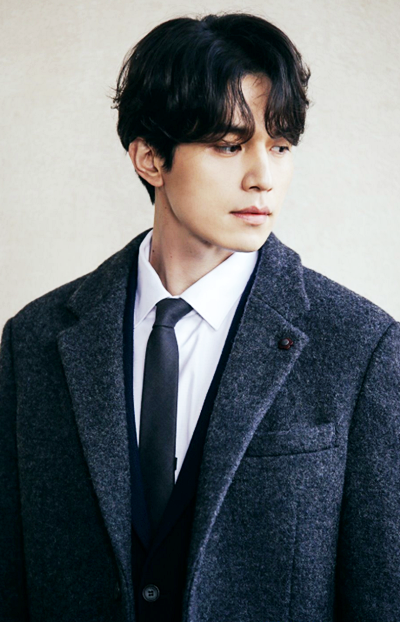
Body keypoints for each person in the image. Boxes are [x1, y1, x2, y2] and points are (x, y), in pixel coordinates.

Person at [0, 12, 399, 622]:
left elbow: (382, 597)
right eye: (229, 146)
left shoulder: (360, 345)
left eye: (280, 146)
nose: (263, 178)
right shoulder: (34, 340)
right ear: (150, 159)